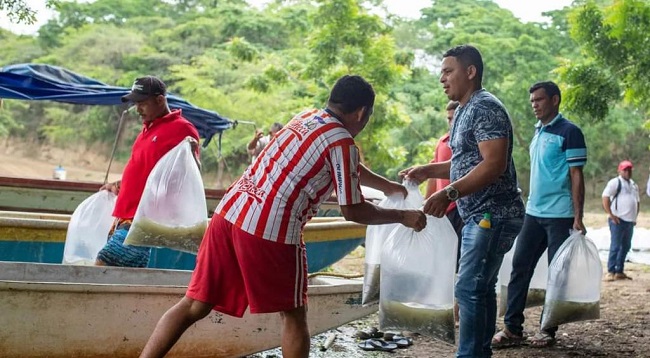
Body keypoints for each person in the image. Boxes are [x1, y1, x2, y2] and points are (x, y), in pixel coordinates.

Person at [139, 75, 427, 358]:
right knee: (293, 315)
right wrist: (403, 216)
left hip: (230, 213)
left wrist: (388, 187)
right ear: (362, 112)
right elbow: (353, 210)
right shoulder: (342, 143)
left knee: (194, 305)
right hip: (270, 228)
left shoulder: (306, 118)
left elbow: (349, 168)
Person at [400, 45, 525, 358]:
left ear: (470, 72)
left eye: (448, 71)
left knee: (469, 287)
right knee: (481, 287)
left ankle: (469, 354)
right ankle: (479, 352)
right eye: (441, 72)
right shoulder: (464, 109)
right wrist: (428, 170)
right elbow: (466, 161)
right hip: (480, 214)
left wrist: (449, 192)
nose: (442, 79)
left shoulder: (485, 107)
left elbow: (493, 163)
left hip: (492, 213)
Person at [492, 81, 587, 349]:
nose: (535, 104)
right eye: (532, 100)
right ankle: (512, 328)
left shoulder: (570, 132)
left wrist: (578, 217)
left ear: (555, 100)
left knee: (556, 275)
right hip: (533, 213)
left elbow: (577, 176)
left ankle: (547, 329)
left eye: (540, 99)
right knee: (520, 267)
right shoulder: (538, 131)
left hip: (561, 215)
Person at [96, 76, 200, 268]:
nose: (138, 109)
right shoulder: (147, 130)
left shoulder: (182, 129)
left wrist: (192, 156)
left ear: (160, 100)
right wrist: (118, 185)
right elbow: (143, 170)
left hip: (142, 222)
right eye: (136, 104)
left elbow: (190, 178)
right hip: (124, 219)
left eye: (142, 104)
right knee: (121, 283)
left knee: (98, 271)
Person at [425, 100, 464, 324]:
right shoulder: (443, 141)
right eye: (448, 118)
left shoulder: (464, 143)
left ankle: (456, 310)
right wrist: (426, 201)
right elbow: (433, 171)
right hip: (441, 210)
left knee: (458, 261)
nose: (451, 122)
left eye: (454, 118)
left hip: (458, 207)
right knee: (441, 259)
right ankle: (440, 304)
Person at [602, 160, 639, 281]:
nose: (627, 172)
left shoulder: (633, 185)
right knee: (615, 246)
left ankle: (619, 270)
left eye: (629, 170)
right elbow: (605, 197)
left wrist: (635, 217)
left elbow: (637, 201)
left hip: (629, 221)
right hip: (618, 220)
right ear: (620, 170)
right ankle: (611, 270)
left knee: (626, 246)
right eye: (625, 170)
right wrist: (611, 214)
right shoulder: (615, 183)